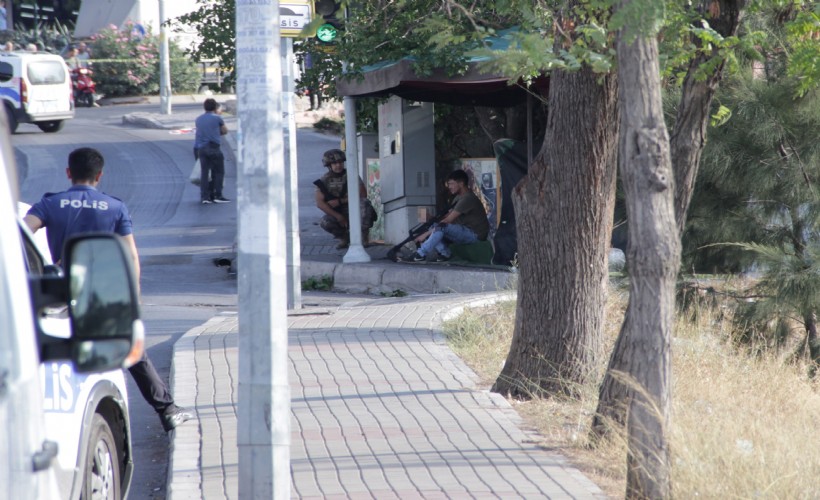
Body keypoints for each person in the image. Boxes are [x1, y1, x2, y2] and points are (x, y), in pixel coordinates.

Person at [23, 147, 194, 433]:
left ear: (68, 172)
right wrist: (133, 295)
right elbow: (131, 255)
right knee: (131, 350)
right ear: (99, 175)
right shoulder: (114, 207)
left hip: (59, 291)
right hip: (100, 291)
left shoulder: (50, 204)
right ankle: (167, 410)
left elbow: (22, 231)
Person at [410, 169, 489, 262]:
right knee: (434, 226)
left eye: (451, 184)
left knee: (441, 227)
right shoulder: (458, 197)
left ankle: (420, 254)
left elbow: (447, 221)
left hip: (475, 235)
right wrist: (431, 219)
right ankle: (445, 254)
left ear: (461, 183)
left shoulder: (468, 198)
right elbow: (447, 216)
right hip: (464, 230)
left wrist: (424, 235)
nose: (449, 187)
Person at [314, 148, 376, 249]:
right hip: (338, 212)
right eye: (334, 163)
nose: (338, 165)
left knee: (364, 204)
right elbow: (320, 203)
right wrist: (338, 216)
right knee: (325, 222)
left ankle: (363, 237)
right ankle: (344, 238)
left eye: (340, 162)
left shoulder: (351, 176)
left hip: (354, 209)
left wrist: (341, 201)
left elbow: (363, 194)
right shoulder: (323, 181)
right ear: (329, 165)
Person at [194, 98, 229, 204]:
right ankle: (217, 195)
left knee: (204, 173)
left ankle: (205, 196)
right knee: (218, 172)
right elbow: (224, 130)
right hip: (213, 147)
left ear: (204, 107)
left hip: (201, 148)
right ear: (215, 107)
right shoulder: (217, 118)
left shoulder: (198, 119)